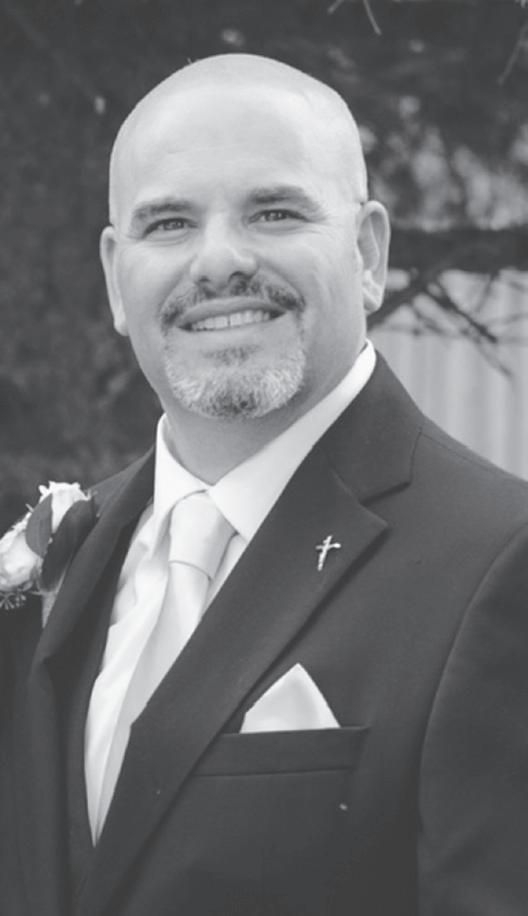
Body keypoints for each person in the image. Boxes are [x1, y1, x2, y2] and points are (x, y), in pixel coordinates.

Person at [2, 53, 528, 916]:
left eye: (274, 211)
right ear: (116, 277)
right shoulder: (61, 560)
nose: (218, 261)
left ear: (368, 252)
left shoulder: (499, 564)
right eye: (169, 222)